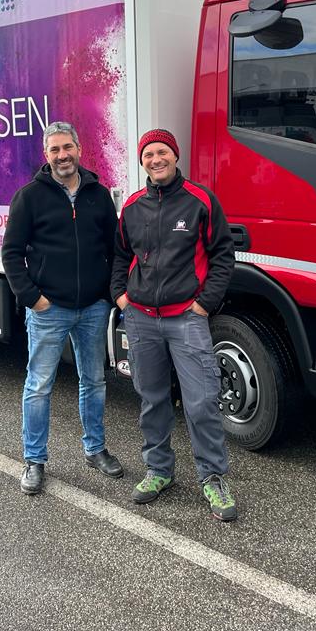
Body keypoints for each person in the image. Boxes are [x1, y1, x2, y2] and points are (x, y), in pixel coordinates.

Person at [111, 129, 238, 521]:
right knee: (152, 399)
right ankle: (159, 470)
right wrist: (120, 295)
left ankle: (213, 478)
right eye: (148, 154)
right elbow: (120, 255)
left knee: (201, 402)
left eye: (162, 151)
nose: (156, 159)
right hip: (141, 320)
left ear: (175, 155)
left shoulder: (200, 200)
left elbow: (223, 255)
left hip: (186, 318)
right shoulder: (133, 206)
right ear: (142, 161)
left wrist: (204, 304)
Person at [2, 122, 123, 495]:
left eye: (67, 147)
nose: (62, 155)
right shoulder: (29, 197)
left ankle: (95, 449)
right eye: (54, 149)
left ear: (79, 149)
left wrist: (107, 293)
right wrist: (32, 298)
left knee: (94, 381)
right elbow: (11, 253)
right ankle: (34, 460)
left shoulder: (98, 195)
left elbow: (115, 248)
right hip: (48, 309)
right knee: (39, 385)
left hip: (93, 308)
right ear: (46, 155)